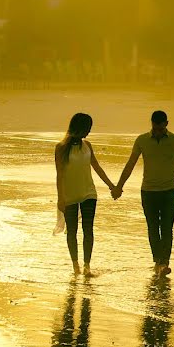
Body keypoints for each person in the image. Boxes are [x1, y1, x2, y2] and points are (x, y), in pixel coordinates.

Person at [112, 110, 174, 277]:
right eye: (155, 127)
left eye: (160, 128)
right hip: (148, 191)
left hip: (169, 191)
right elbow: (130, 163)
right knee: (153, 228)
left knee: (167, 228)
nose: (158, 131)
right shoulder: (142, 140)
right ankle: (158, 261)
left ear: (166, 124)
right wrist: (119, 186)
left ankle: (164, 263)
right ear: (151, 124)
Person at [55, 112, 116, 276]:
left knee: (88, 229)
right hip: (69, 195)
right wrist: (60, 198)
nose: (88, 131)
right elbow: (59, 175)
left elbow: (97, 167)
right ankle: (75, 266)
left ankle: (87, 266)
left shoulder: (87, 146)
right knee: (72, 231)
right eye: (87, 128)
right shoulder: (61, 148)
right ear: (79, 128)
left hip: (89, 193)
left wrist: (112, 186)